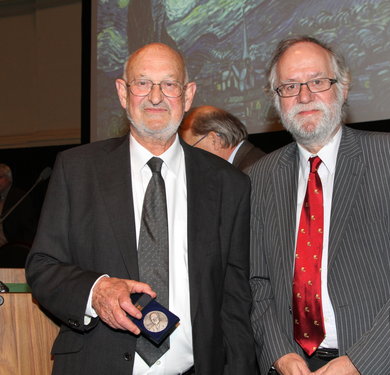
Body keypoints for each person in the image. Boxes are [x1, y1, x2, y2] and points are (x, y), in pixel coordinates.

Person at [26, 43, 257, 375]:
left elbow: (236, 301)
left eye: (169, 84)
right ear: (123, 92)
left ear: (188, 95)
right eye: (143, 83)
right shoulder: (77, 170)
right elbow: (43, 266)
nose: (155, 96)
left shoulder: (228, 184)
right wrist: (95, 291)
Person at [248, 36, 390, 375]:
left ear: (342, 88)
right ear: (276, 100)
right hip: (294, 365)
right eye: (290, 86)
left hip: (384, 363)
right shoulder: (258, 177)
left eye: (317, 81)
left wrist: (360, 363)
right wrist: (279, 352)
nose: (305, 96)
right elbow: (257, 282)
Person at [180, 105, 265, 172]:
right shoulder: (247, 162)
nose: (189, 159)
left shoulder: (250, 172)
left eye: (190, 149)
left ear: (214, 140)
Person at [0, 163, 38, 267]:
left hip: (11, 249)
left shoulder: (20, 197)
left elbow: (28, 228)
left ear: (9, 179)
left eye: (0, 177)